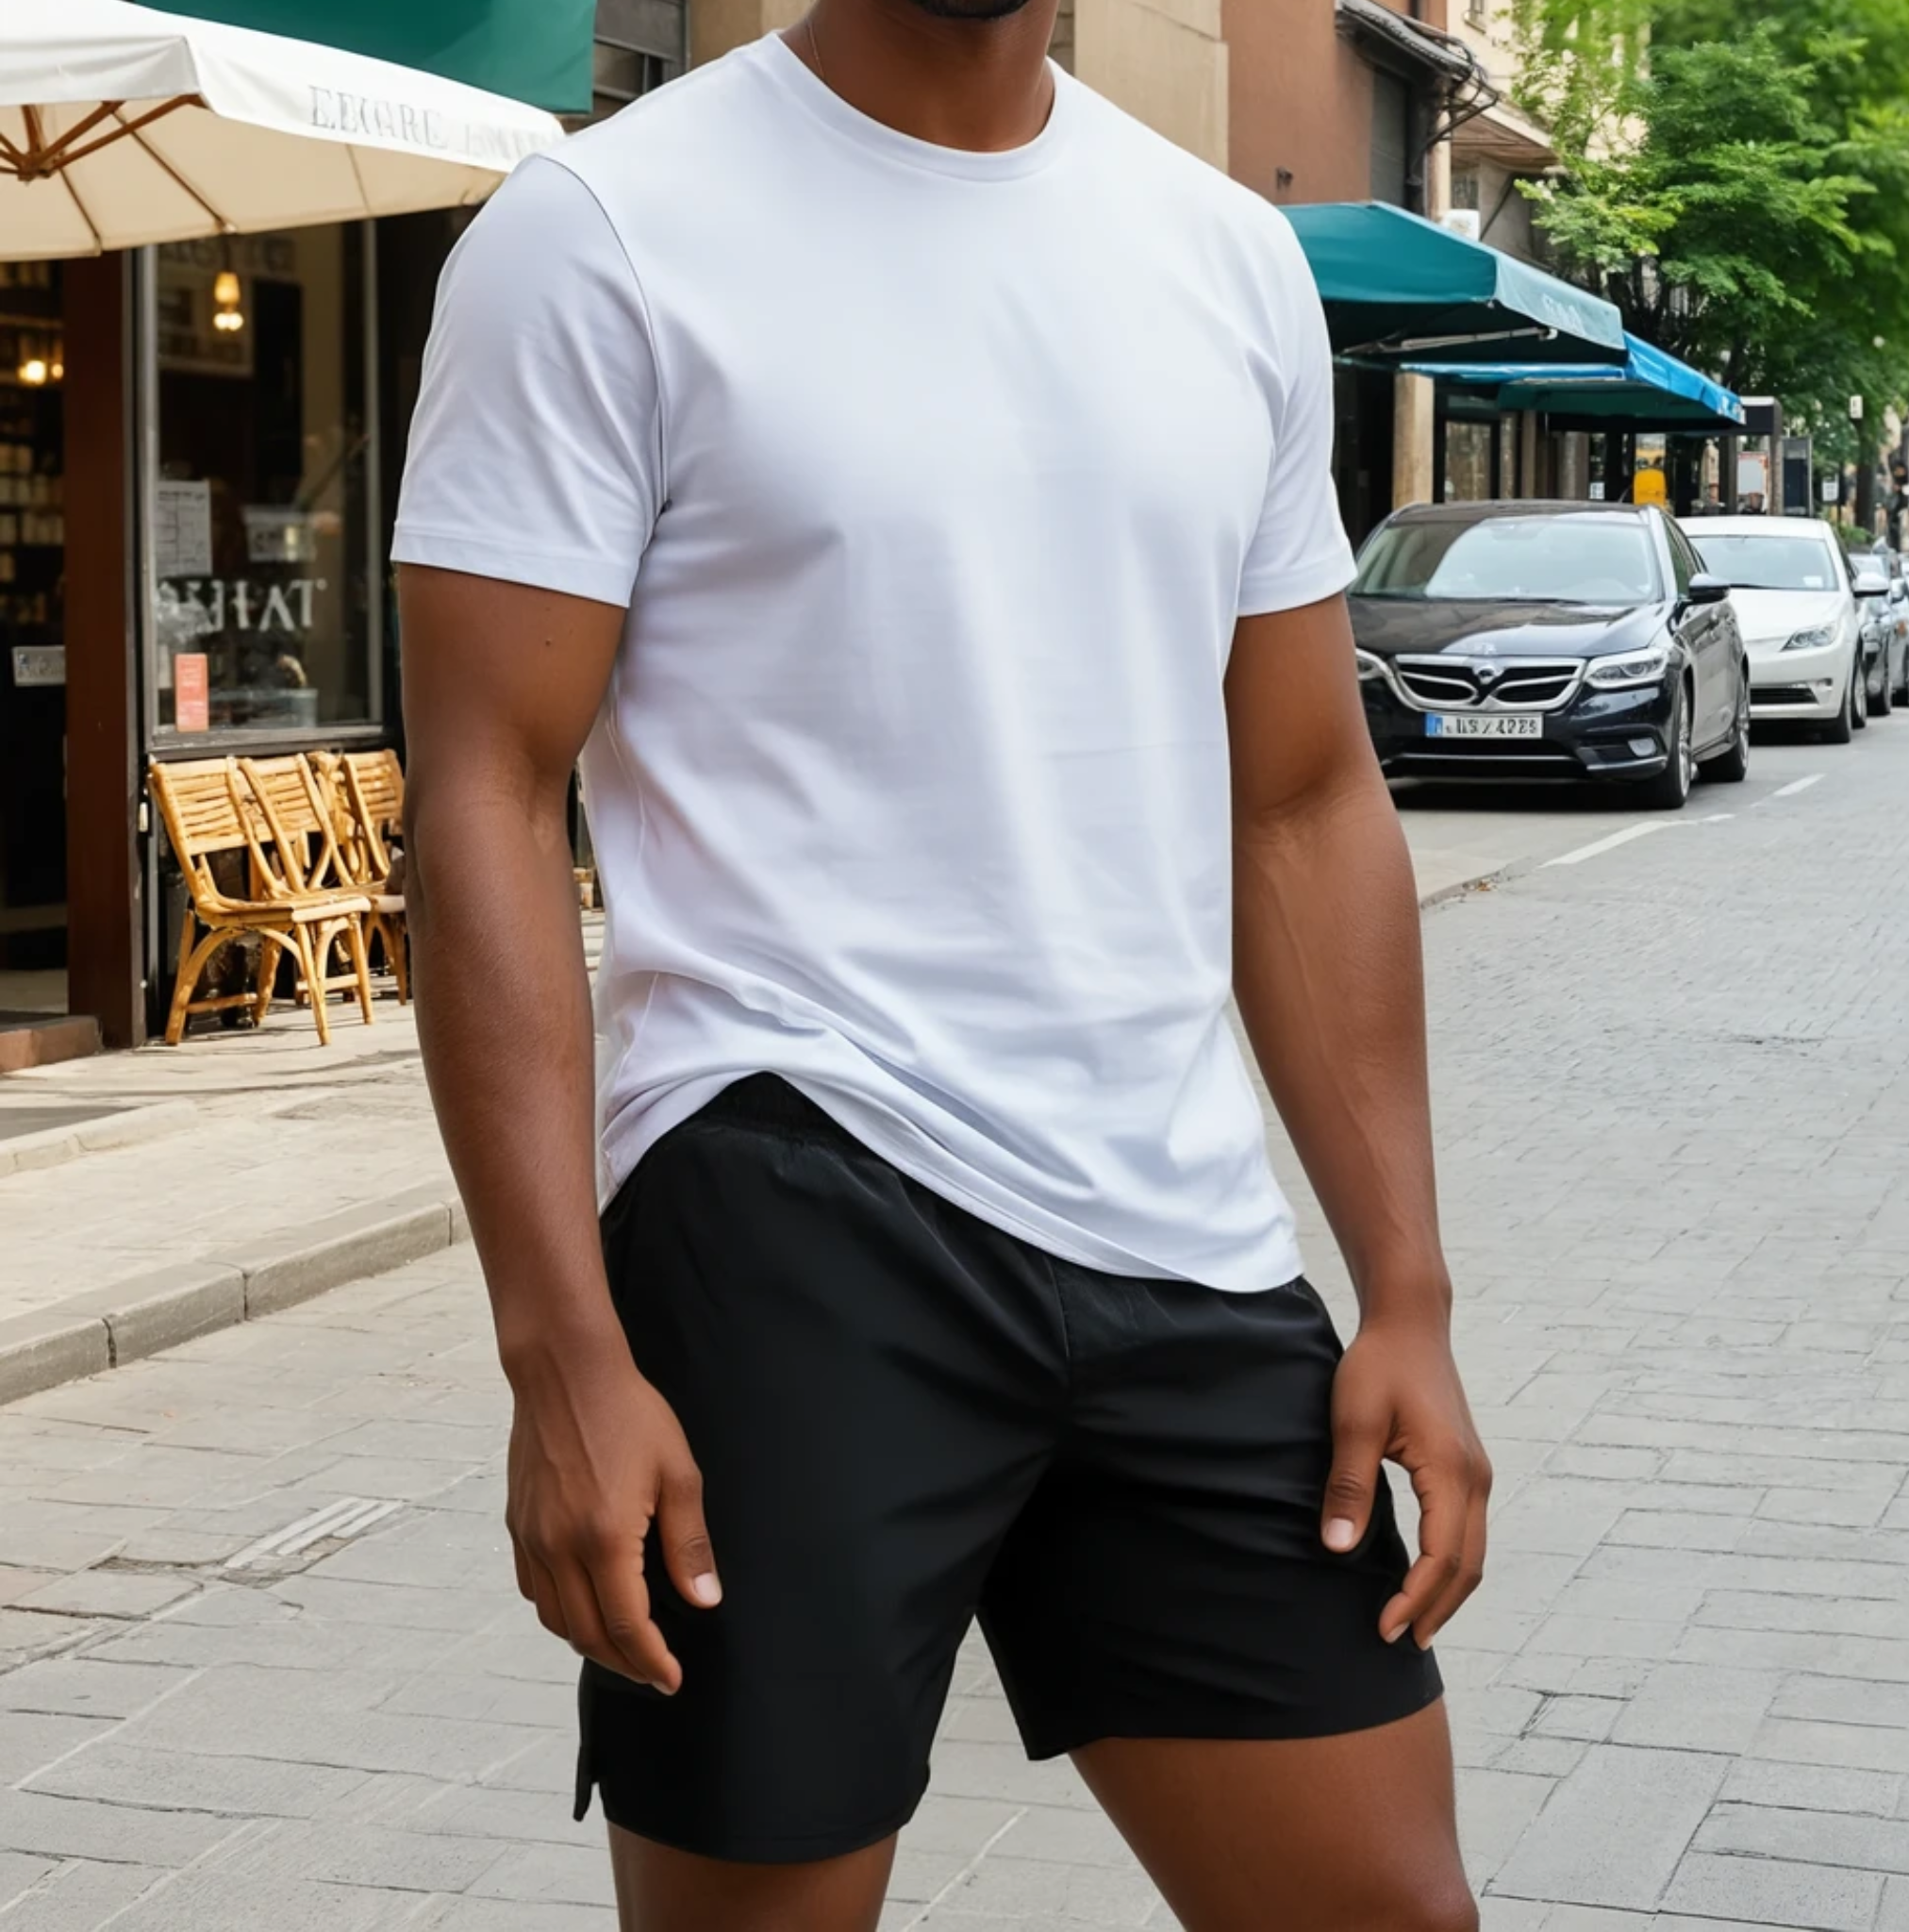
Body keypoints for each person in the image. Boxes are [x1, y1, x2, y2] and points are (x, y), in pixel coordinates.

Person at [392, 0, 1489, 1925]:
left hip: (1182, 1241)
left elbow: (1302, 798)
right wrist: (559, 1351)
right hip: (793, 1206)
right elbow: (486, 784)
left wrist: (1400, 1284)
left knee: (1389, 1907)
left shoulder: (1220, 256)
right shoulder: (603, 232)